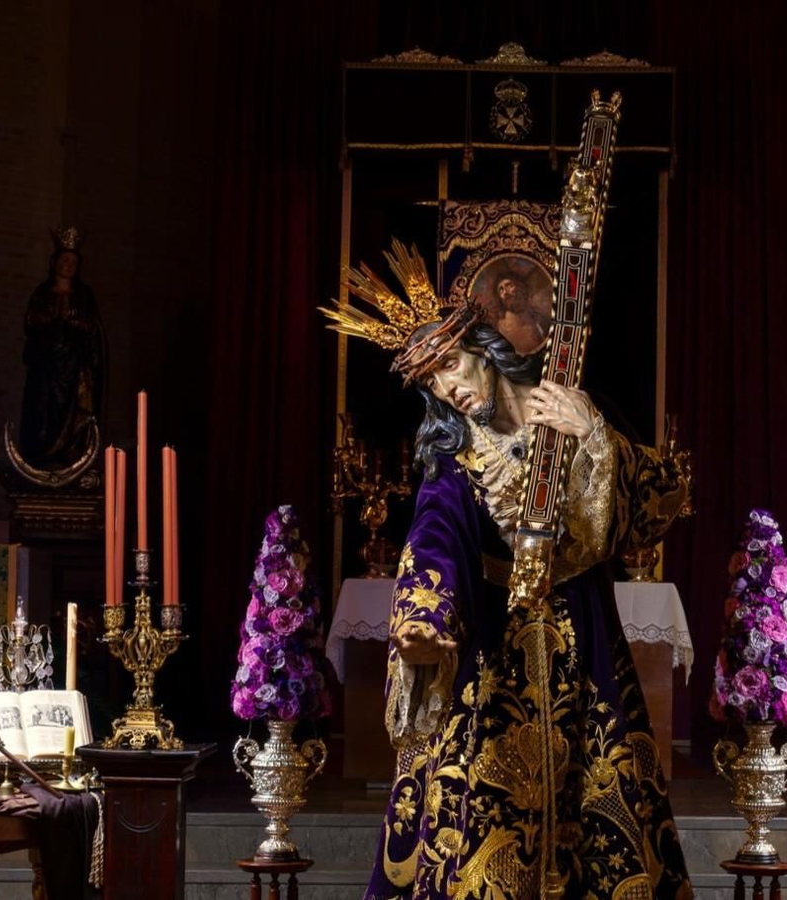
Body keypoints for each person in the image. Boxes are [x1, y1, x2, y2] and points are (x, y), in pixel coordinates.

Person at [326, 245, 692, 900]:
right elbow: (433, 538)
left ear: (485, 346)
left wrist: (595, 437)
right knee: (484, 821)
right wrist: (422, 621)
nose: (451, 388)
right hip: (492, 658)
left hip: (584, 640)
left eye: (453, 366)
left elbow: (660, 495)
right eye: (434, 384)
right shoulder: (456, 456)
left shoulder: (574, 405)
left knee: (603, 816)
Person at [16, 231, 105, 468]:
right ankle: (42, 456)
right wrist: (53, 315)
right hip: (46, 368)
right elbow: (31, 320)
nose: (69, 266)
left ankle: (69, 453)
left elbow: (92, 327)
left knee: (73, 412)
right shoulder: (42, 293)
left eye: (74, 263)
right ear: (54, 263)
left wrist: (73, 318)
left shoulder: (84, 295)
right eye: (65, 261)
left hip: (74, 367)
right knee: (43, 413)